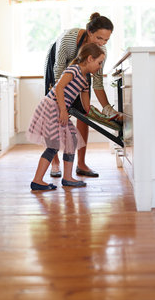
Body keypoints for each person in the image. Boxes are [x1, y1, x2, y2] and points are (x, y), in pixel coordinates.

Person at [44, 12, 120, 179]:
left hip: (82, 68)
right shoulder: (69, 39)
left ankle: (81, 163)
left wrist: (107, 109)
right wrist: (62, 103)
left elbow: (98, 82)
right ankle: (54, 162)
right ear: (89, 31)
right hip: (57, 67)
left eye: (106, 40)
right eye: (99, 38)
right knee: (55, 114)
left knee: (83, 114)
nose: (102, 43)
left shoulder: (100, 52)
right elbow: (58, 70)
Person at [27, 43, 106, 191]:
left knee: (72, 140)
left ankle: (68, 178)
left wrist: (99, 116)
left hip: (61, 110)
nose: (100, 66)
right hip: (52, 108)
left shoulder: (85, 79)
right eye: (99, 62)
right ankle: (37, 180)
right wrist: (63, 110)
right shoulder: (74, 69)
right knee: (53, 145)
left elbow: (86, 106)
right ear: (89, 59)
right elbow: (59, 87)